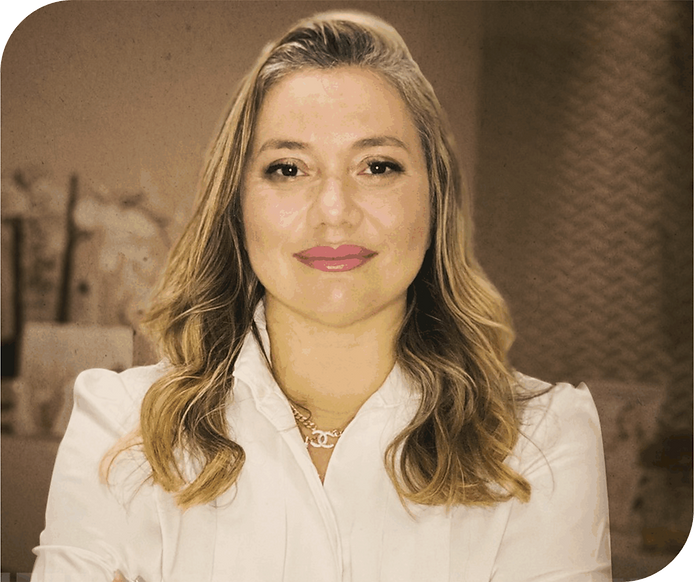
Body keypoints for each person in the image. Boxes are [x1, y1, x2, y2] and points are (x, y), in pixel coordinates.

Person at [32, 11, 611, 582]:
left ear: (435, 198)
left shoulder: (543, 438)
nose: (334, 211)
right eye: (288, 169)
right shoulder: (122, 426)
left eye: (377, 166)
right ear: (237, 204)